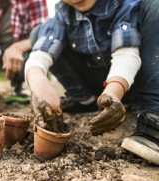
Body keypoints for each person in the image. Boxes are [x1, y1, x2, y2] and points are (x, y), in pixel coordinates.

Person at [26, 0, 159, 164]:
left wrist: (113, 92)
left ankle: (154, 117)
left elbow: (126, 54)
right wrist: (38, 79)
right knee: (38, 33)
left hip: (133, 81)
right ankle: (86, 100)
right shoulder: (63, 12)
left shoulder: (121, 4)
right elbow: (41, 54)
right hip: (100, 85)